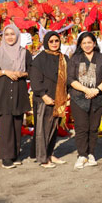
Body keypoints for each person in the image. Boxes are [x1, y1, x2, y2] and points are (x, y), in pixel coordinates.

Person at [0, 24, 32, 169]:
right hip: (2, 91)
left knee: (17, 123)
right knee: (5, 125)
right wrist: (6, 72)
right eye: (7, 34)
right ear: (3, 36)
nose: (10, 37)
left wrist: (22, 74)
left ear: (18, 36)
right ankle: (6, 156)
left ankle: (15, 154)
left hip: (19, 91)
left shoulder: (25, 53)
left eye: (13, 34)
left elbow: (32, 71)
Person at [68, 32, 102, 170]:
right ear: (80, 44)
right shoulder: (75, 59)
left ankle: (91, 153)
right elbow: (71, 79)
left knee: (93, 128)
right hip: (79, 98)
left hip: (97, 98)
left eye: (89, 42)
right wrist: (86, 90)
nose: (87, 45)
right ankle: (82, 155)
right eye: (84, 43)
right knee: (81, 128)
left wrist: (96, 90)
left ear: (94, 43)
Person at [29, 31, 69, 168]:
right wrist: (44, 96)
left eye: (56, 41)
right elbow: (35, 80)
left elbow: (68, 78)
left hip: (59, 99)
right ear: (46, 42)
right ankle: (43, 158)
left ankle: (50, 153)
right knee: (43, 130)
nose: (54, 44)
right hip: (44, 99)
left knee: (53, 129)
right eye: (51, 41)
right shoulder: (39, 59)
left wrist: (67, 94)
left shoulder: (63, 58)